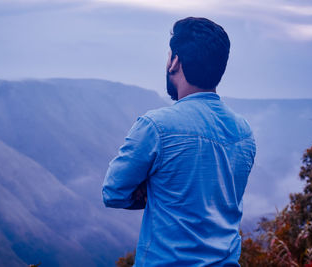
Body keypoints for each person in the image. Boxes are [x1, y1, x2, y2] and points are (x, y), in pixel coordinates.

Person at [102, 17, 256, 266]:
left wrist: (156, 190)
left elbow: (113, 192)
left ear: (175, 61)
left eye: (169, 55)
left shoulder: (156, 127)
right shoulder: (244, 132)